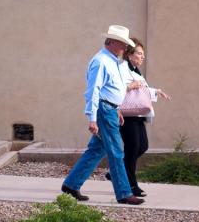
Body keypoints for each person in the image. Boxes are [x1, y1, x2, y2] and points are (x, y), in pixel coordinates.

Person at [60, 25, 145, 205]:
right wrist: (92, 119)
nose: (125, 48)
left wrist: (117, 109)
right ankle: (123, 193)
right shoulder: (100, 61)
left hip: (110, 110)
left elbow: (112, 90)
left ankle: (71, 185)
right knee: (116, 151)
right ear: (112, 42)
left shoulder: (113, 60)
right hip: (104, 111)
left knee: (97, 150)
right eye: (122, 44)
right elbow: (93, 91)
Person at [115, 37, 170, 198]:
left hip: (138, 114)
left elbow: (142, 89)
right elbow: (117, 88)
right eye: (139, 53)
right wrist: (131, 86)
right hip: (127, 115)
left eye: (142, 54)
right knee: (132, 150)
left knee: (142, 146)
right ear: (130, 54)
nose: (142, 57)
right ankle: (131, 185)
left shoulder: (135, 70)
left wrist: (156, 91)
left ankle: (117, 172)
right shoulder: (122, 67)